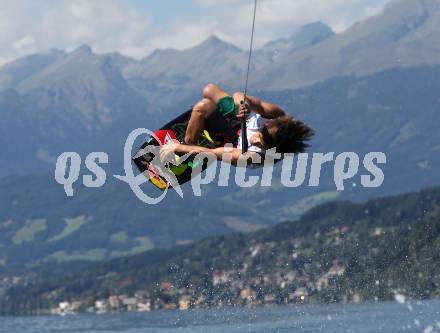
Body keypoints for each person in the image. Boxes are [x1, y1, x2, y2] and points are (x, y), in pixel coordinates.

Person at [160, 83, 314, 166]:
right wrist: (245, 105)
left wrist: (177, 148)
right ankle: (205, 126)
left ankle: (187, 150)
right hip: (240, 122)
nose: (256, 139)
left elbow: (213, 154)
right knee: (210, 89)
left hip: (231, 144)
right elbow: (239, 95)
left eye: (262, 143)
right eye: (260, 134)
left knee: (203, 106)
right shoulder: (276, 115)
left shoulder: (253, 157)